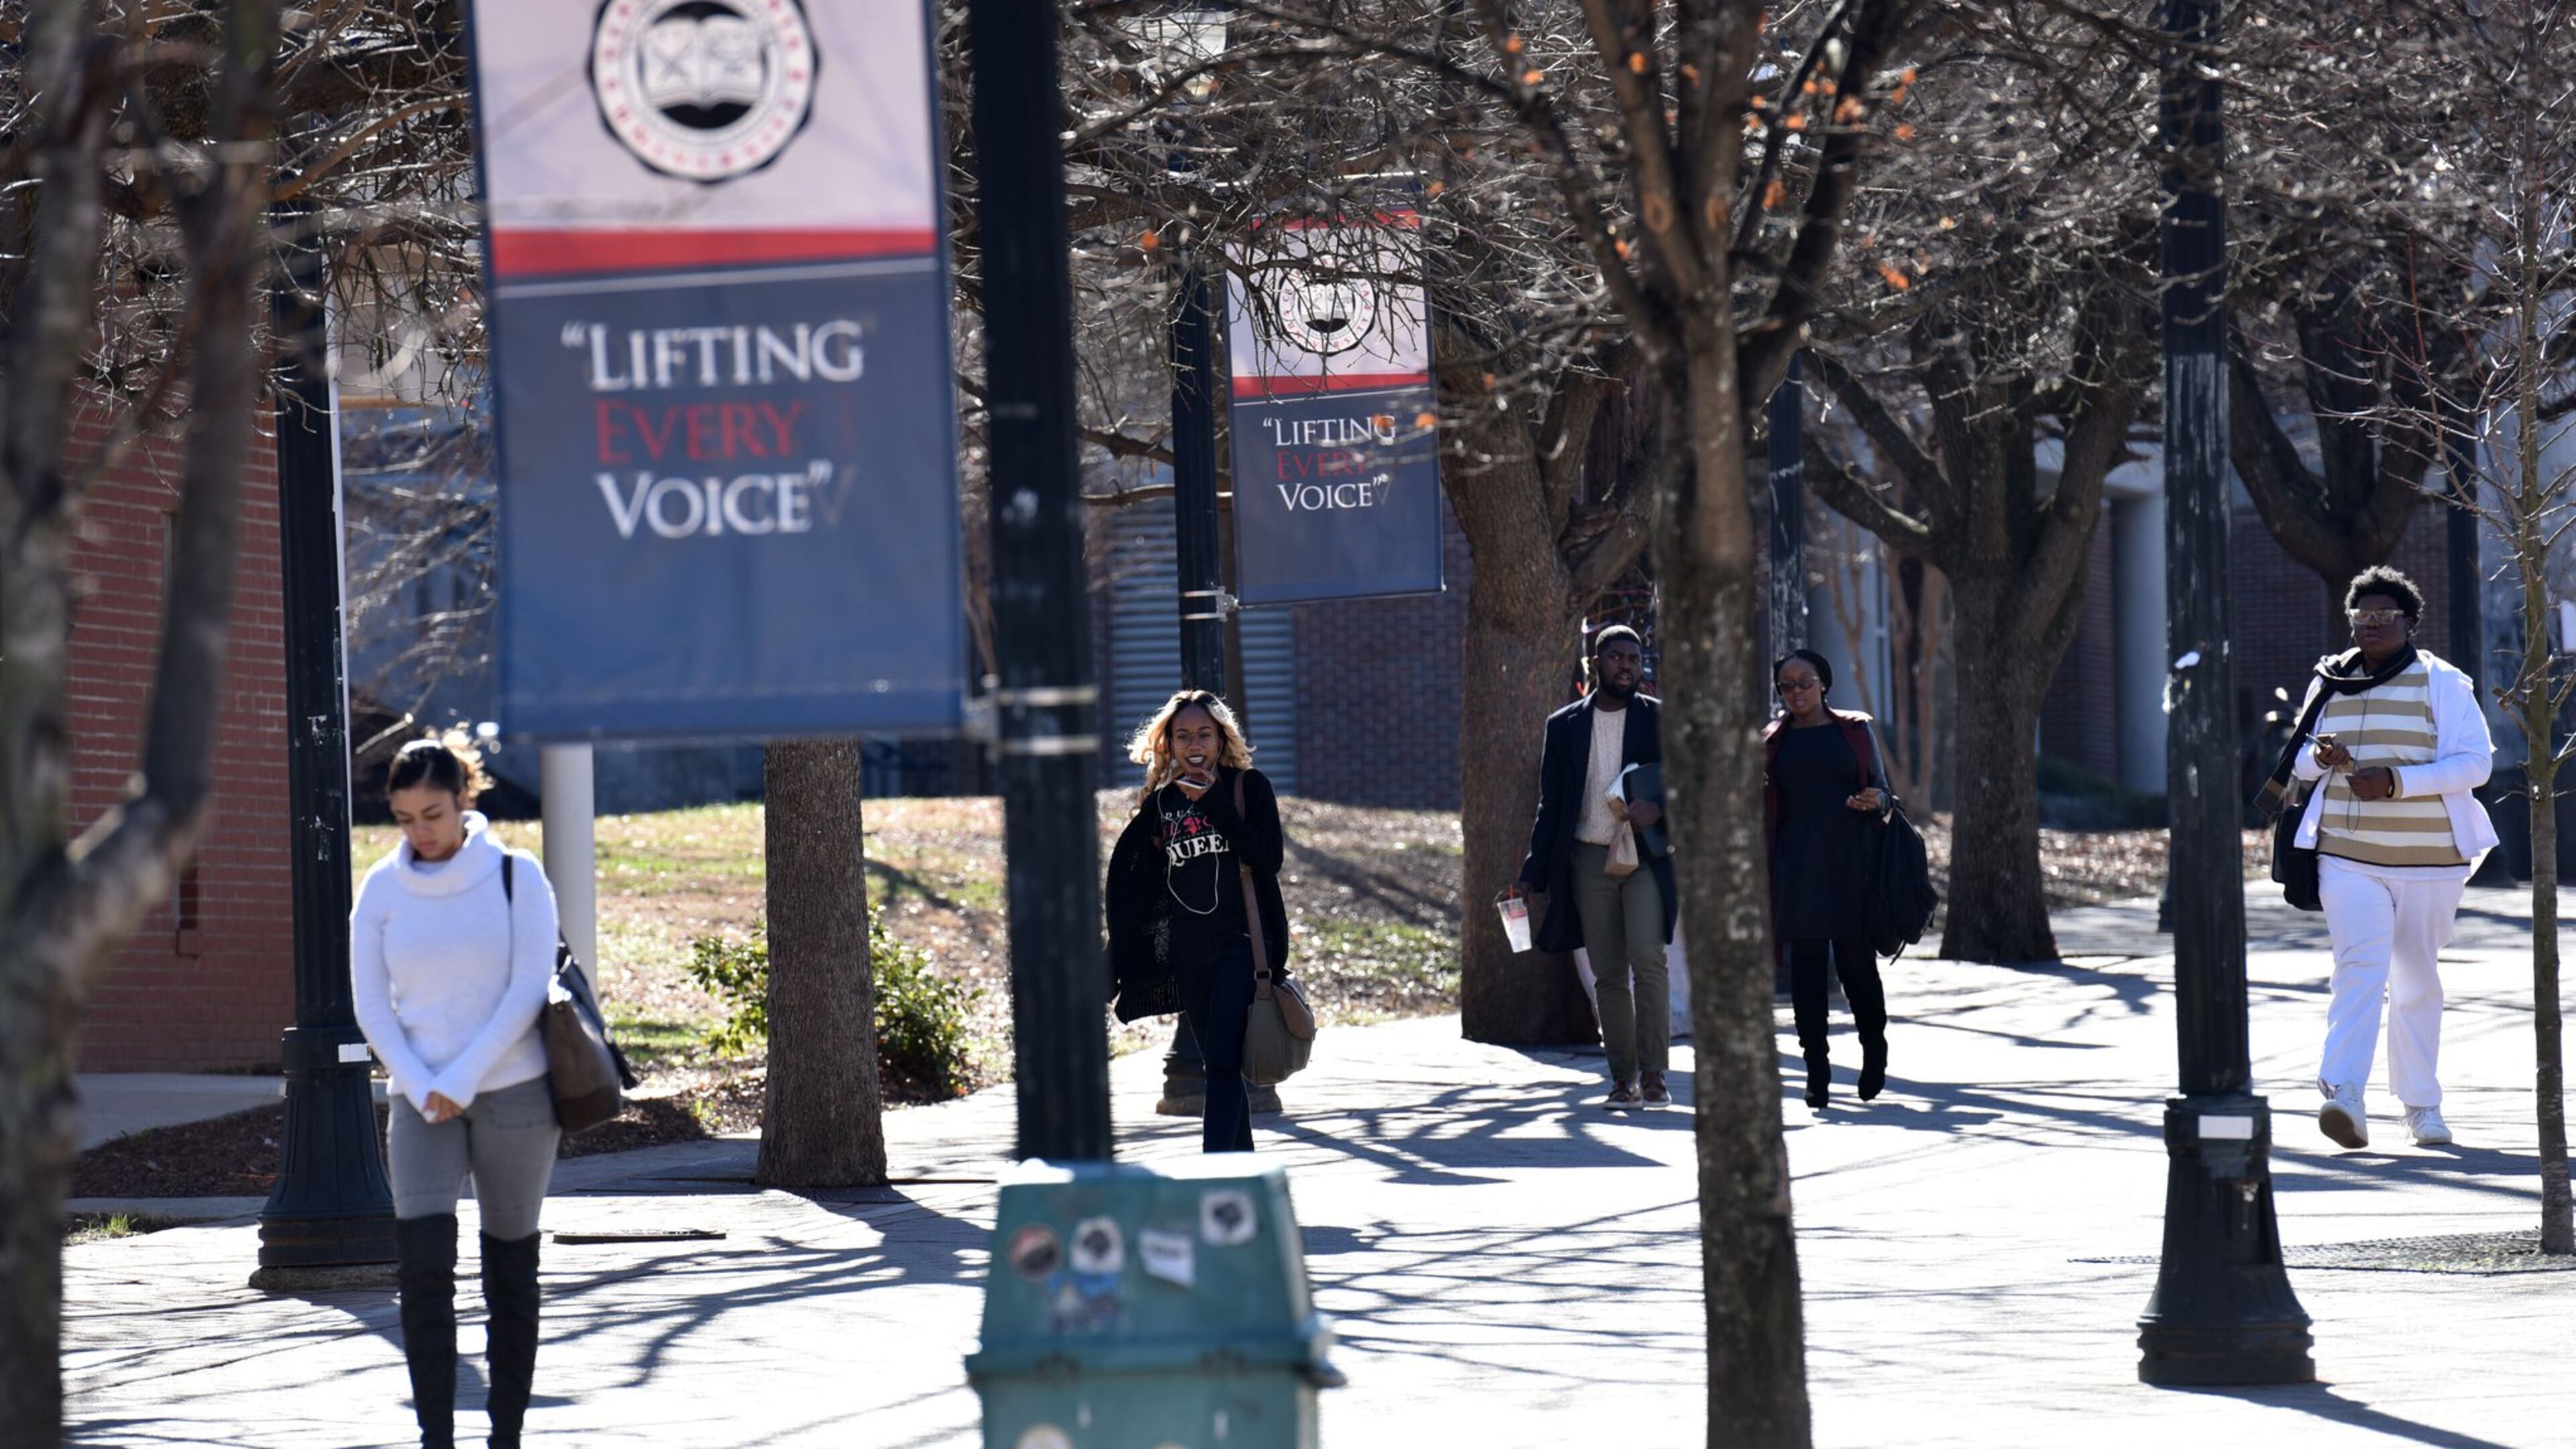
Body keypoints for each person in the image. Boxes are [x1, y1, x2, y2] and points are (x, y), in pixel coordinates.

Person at [351, 733, 560, 1449]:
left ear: (465, 795)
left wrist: (463, 1080)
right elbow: (372, 1006)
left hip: (515, 1095)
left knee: (510, 1273)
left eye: (433, 813)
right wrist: (424, 1085)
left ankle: (506, 1436)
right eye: (405, 818)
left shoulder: (515, 875)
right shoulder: (381, 889)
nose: (421, 832)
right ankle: (435, 1436)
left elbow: (529, 987)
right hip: (421, 1101)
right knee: (424, 1272)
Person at [2288, 566, 2497, 1149]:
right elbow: (2299, 763)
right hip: (2348, 856)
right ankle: (2344, 1095)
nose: (2371, 625)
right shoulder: (2329, 680)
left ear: (2409, 622)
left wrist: (2396, 783)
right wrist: (2322, 759)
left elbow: (2474, 764)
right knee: (2359, 969)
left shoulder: (2442, 682)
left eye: (2384, 616)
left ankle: (2421, 1107)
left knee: (2415, 980)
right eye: (2361, 616)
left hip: (2431, 861)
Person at [1498, 626, 1675, 1109]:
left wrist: (1658, 811)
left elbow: (1685, 784)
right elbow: (1551, 805)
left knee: (1648, 958)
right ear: (1595, 663)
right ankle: (1624, 1078)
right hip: (1587, 858)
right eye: (1617, 658)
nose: (1627, 667)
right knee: (1609, 974)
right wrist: (1531, 874)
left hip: (1643, 858)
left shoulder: (1659, 720)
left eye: (1635, 660)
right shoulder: (1565, 725)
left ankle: (1656, 1073)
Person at [1106, 690, 1291, 1152]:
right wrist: (1116, 958)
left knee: (1225, 1065)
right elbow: (1139, 890)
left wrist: (1214, 804)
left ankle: (1214, 1175)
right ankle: (1244, 1180)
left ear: (1221, 739)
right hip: (1189, 953)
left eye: (1204, 735)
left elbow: (1268, 859)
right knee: (1218, 1063)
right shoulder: (1163, 803)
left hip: (1241, 946)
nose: (1195, 744)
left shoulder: (1249, 788)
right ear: (1168, 742)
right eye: (1184, 735)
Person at [1762, 649, 1895, 1110]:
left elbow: (1883, 789)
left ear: (1824, 684)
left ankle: (1873, 1049)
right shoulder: (1772, 741)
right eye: (1787, 685)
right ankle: (1816, 1069)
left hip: (1851, 861)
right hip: (1796, 866)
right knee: (1807, 973)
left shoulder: (1856, 731)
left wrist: (1876, 801)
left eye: (1805, 681)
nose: (1796, 691)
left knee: (1858, 966)